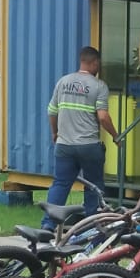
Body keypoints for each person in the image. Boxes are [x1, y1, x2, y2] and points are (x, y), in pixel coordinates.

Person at [41, 46, 120, 230]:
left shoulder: (63, 82)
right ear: (95, 63)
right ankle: (92, 227)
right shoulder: (99, 86)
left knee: (60, 184)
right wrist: (115, 136)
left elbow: (51, 111)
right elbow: (103, 117)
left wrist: (55, 132)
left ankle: (48, 225)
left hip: (64, 146)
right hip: (89, 146)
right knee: (94, 187)